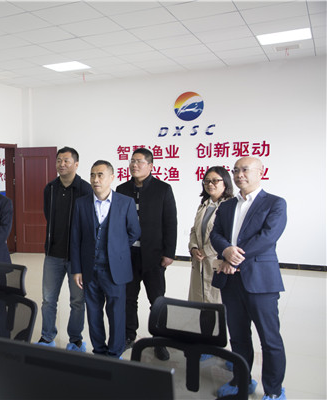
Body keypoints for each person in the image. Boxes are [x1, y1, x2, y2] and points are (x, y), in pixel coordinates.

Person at [210, 157, 287, 400]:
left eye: (245, 169)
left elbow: (268, 237)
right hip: (231, 283)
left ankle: (274, 391)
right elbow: (216, 234)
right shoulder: (227, 206)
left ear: (260, 172)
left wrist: (233, 258)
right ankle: (241, 380)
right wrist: (225, 250)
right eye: (235, 170)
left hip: (261, 282)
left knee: (269, 339)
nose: (239, 174)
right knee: (238, 337)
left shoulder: (274, 203)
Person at [71, 160, 140, 358]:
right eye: (92, 175)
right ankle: (99, 352)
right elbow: (75, 238)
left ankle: (115, 352)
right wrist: (77, 269)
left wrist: (116, 248)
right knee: (93, 313)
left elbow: (134, 232)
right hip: (89, 269)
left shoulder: (125, 202)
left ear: (111, 177)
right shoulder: (81, 203)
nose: (95, 179)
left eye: (100, 175)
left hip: (115, 269)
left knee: (116, 313)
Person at [116, 148, 177, 361]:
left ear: (150, 166)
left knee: (157, 300)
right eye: (132, 161)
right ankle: (128, 335)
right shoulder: (122, 189)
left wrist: (169, 253)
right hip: (128, 254)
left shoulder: (163, 189)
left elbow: (170, 222)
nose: (134, 165)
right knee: (128, 298)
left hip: (154, 255)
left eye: (139, 161)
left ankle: (159, 340)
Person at [37, 147, 92, 352]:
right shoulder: (50, 188)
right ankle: (47, 337)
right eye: (59, 160)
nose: (62, 164)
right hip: (53, 254)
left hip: (77, 257)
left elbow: (89, 223)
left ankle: (75, 339)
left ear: (76, 164)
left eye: (66, 161)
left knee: (77, 301)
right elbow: (48, 215)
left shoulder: (86, 190)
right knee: (48, 299)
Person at [188, 166, 234, 304]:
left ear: (225, 182)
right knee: (198, 299)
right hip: (199, 260)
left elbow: (228, 235)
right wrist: (193, 248)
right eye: (207, 181)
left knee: (215, 300)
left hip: (216, 259)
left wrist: (206, 251)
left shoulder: (230, 206)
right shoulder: (204, 205)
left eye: (215, 181)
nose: (210, 184)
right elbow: (194, 230)